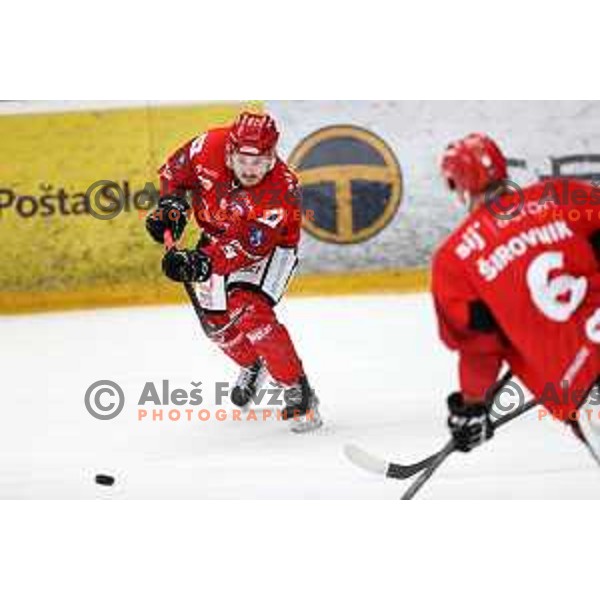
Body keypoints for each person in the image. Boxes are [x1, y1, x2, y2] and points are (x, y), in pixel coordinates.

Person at [145, 111, 322, 433]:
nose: (250, 169)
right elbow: (173, 173)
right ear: (229, 152)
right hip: (215, 238)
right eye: (243, 160)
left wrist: (198, 263)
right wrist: (170, 206)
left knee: (246, 307)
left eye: (260, 161)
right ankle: (252, 364)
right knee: (216, 326)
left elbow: (245, 248)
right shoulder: (207, 146)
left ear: (272, 157)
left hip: (266, 250)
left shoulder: (279, 191)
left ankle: (298, 388)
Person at [433, 132, 600, 461]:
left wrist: (472, 406)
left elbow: (480, 346)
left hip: (585, 392)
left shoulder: (454, 261)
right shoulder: (566, 195)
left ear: (458, 185)